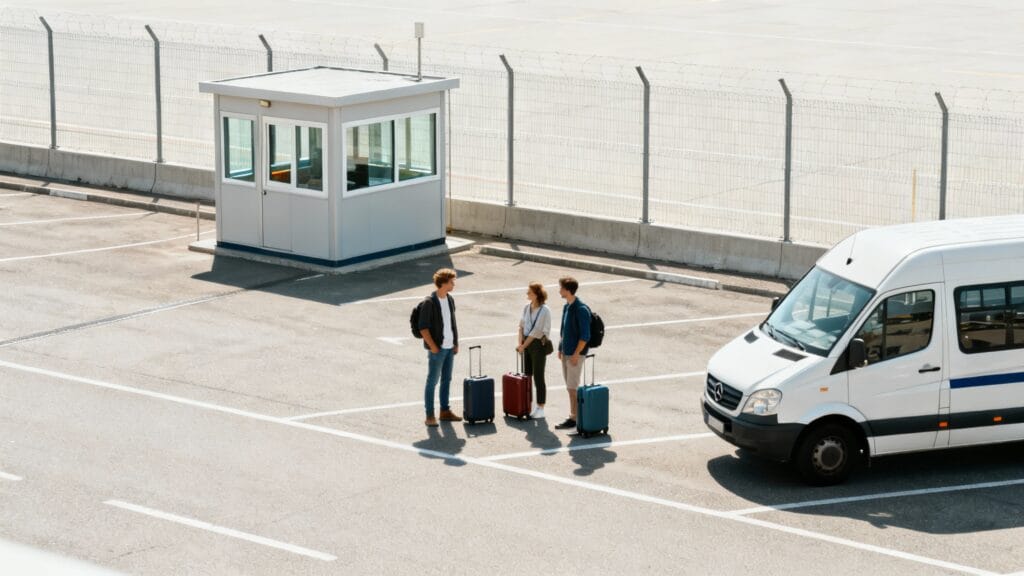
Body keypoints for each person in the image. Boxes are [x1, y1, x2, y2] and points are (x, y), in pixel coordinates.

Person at [418, 268, 462, 427]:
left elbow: (452, 323)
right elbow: (423, 328)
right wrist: (433, 347)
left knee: (446, 380)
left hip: (449, 348)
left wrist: (455, 342)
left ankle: (444, 411)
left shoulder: (449, 299)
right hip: (438, 349)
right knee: (432, 382)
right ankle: (429, 415)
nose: (453, 284)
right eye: (451, 282)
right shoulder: (429, 303)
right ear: (443, 283)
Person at [554, 276, 591, 430]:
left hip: (575, 354)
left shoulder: (581, 309)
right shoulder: (566, 306)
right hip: (566, 352)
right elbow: (563, 331)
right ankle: (574, 417)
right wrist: (560, 348)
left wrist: (576, 354)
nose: (559, 290)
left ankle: (574, 419)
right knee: (570, 387)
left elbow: (585, 336)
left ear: (568, 290)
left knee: (572, 388)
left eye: (561, 288)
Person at [516, 281, 552, 420]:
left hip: (537, 345)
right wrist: (520, 342)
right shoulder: (527, 307)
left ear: (537, 294)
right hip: (526, 342)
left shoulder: (544, 310)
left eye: (529, 292)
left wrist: (523, 346)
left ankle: (541, 407)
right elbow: (521, 325)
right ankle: (528, 404)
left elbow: (537, 331)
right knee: (527, 375)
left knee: (538, 376)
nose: (527, 294)